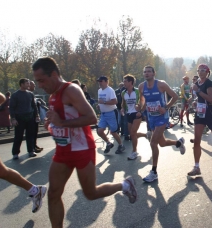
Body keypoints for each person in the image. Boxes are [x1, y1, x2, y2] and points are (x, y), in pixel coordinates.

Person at [32, 57, 137, 227]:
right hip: (62, 151)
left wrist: (61, 123)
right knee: (53, 193)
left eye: (41, 80)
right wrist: (51, 123)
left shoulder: (71, 90)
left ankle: (124, 184)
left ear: (53, 74)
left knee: (91, 193)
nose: (39, 85)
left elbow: (90, 117)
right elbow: (59, 120)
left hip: (81, 149)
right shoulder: (53, 95)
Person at [0, 90, 47, 213]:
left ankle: (35, 190)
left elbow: (0, 98)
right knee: (2, 171)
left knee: (1, 171)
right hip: (21, 117)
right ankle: (35, 191)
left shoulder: (29, 95)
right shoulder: (17, 96)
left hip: (27, 118)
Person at [138, 65, 186, 182]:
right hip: (151, 118)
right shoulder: (141, 87)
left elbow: (175, 96)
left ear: (154, 73)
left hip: (162, 117)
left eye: (149, 71)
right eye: (145, 72)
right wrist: (140, 110)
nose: (147, 73)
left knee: (153, 143)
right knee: (162, 143)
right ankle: (178, 143)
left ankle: (154, 172)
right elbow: (143, 101)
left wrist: (166, 107)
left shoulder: (161, 84)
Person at [10, 78, 40, 159]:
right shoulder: (15, 95)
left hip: (30, 117)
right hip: (19, 118)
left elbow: (34, 106)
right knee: (18, 136)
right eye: (27, 83)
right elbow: (12, 108)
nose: (29, 85)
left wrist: (37, 115)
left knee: (30, 135)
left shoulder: (30, 94)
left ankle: (31, 151)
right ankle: (15, 153)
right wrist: (13, 118)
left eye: (29, 83)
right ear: (22, 84)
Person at [121, 74, 148, 160]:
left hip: (137, 114)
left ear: (130, 82)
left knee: (133, 133)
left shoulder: (137, 91)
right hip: (129, 114)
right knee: (132, 134)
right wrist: (122, 109)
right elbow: (123, 103)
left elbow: (144, 101)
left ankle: (134, 151)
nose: (123, 83)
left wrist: (140, 111)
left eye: (125, 81)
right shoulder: (123, 92)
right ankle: (146, 135)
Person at [96, 76, 125, 154]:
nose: (99, 83)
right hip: (103, 114)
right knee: (99, 131)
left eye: (101, 81)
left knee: (113, 132)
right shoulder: (99, 91)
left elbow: (115, 101)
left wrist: (104, 103)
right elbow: (100, 101)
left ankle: (121, 145)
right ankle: (109, 143)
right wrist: (99, 105)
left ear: (106, 81)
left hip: (111, 112)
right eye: (99, 81)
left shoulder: (110, 90)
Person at [29, 81, 45, 153]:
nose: (35, 86)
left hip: (35, 116)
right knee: (31, 132)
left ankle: (34, 145)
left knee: (35, 131)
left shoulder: (32, 94)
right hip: (30, 117)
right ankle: (32, 147)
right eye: (33, 85)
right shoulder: (28, 94)